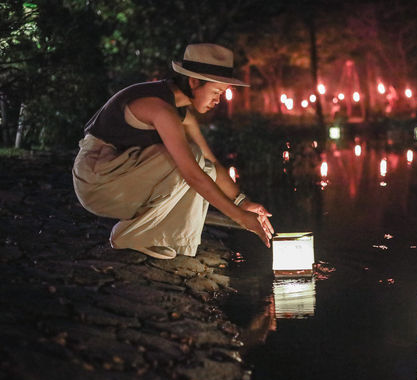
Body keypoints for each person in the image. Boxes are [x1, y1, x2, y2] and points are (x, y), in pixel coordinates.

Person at [73, 43, 274, 259]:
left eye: (222, 94)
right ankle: (132, 235)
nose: (218, 100)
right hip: (96, 181)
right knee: (192, 159)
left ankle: (154, 234)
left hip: (121, 176)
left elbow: (211, 163)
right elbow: (191, 174)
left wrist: (243, 202)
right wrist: (240, 218)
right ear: (194, 81)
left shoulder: (180, 113)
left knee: (204, 165)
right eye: (216, 91)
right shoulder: (159, 107)